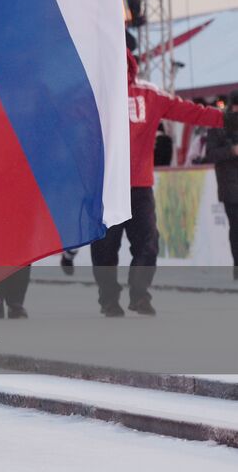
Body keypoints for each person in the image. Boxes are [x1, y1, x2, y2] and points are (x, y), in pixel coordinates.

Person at [92, 52, 223, 316]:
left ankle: (139, 294)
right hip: (106, 188)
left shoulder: (149, 94)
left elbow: (190, 112)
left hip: (139, 186)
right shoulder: (92, 95)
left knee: (148, 243)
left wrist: (226, 120)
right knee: (105, 248)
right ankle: (108, 299)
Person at [196, 94, 238, 278]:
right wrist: (232, 151)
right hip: (230, 189)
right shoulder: (218, 125)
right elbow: (210, 154)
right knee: (236, 229)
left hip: (229, 187)